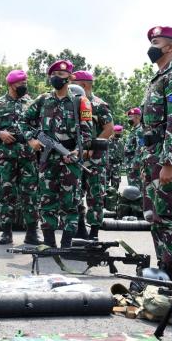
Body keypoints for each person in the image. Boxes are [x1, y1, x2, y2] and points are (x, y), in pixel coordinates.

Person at [20, 60, 93, 248]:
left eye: (61, 75)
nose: (56, 78)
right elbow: (24, 121)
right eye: (53, 75)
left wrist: (77, 151)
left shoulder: (80, 101)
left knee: (71, 201)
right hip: (47, 157)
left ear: (70, 77)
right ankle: (49, 242)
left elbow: (87, 132)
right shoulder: (43, 100)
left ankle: (67, 242)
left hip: (70, 156)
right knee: (46, 199)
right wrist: (31, 140)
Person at [141, 26, 172, 281]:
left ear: (169, 47)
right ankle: (162, 269)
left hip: (165, 158)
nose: (152, 45)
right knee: (156, 216)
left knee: (170, 216)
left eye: (156, 41)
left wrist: (169, 162)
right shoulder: (158, 78)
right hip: (152, 155)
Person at [0, 69, 41, 245]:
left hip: (28, 155)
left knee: (30, 193)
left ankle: (31, 232)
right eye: (21, 84)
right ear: (11, 84)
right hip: (6, 154)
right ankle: (6, 232)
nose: (24, 86)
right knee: (6, 193)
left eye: (25, 83)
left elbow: (40, 126)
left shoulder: (32, 103)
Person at [71, 70, 114, 240]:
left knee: (95, 196)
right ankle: (80, 228)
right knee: (74, 194)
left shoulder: (98, 104)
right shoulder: (70, 103)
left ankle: (94, 233)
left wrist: (89, 146)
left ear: (83, 85)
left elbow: (109, 129)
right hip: (75, 157)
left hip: (94, 159)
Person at [124, 108, 144, 190]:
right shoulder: (134, 130)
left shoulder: (140, 130)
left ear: (138, 117)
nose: (129, 119)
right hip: (130, 164)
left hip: (135, 166)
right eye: (128, 117)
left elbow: (140, 147)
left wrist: (136, 162)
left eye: (131, 117)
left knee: (136, 189)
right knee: (132, 188)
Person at [107, 125, 125, 191]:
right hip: (108, 165)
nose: (119, 134)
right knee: (105, 184)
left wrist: (122, 164)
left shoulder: (121, 141)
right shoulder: (107, 141)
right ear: (114, 131)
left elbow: (123, 153)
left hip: (117, 166)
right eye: (117, 133)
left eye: (120, 133)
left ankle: (114, 199)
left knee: (115, 185)